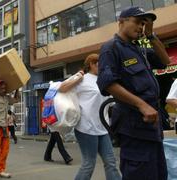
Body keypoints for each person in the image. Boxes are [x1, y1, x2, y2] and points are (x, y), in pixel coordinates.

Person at [97, 6, 170, 180]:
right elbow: (108, 83)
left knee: (158, 174)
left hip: (152, 126)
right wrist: (141, 105)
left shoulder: (139, 49)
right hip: (133, 126)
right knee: (138, 174)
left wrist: (151, 36)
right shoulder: (111, 48)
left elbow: (165, 62)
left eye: (143, 24)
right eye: (137, 22)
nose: (140, 27)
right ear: (121, 22)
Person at [59, 54, 121, 179]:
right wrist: (77, 77)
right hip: (86, 127)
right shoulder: (83, 79)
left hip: (103, 128)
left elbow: (113, 101)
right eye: (100, 63)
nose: (103, 66)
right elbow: (62, 88)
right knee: (89, 164)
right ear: (92, 64)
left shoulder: (105, 80)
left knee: (110, 162)